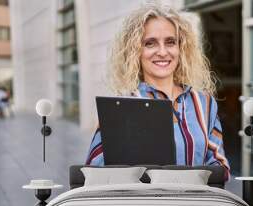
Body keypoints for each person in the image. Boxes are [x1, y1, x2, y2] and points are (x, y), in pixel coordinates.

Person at [85, 3, 230, 179]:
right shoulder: (120, 108)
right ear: (135, 51)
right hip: (141, 205)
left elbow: (219, 165)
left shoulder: (204, 103)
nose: (162, 52)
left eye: (170, 42)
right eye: (150, 43)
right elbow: (96, 172)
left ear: (181, 48)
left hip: (193, 203)